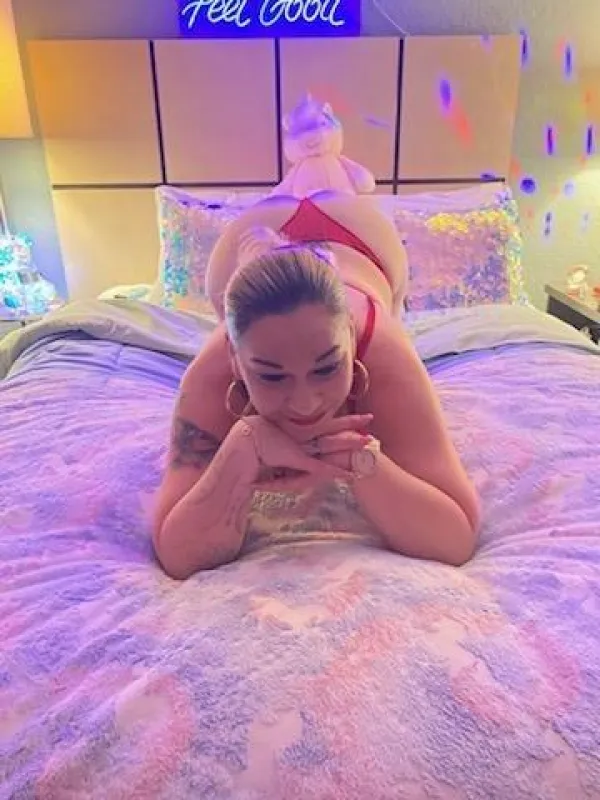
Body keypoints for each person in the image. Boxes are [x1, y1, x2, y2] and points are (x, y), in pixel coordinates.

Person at [153, 192, 480, 580]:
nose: (305, 404)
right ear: (236, 359)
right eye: (272, 376)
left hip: (364, 238)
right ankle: (258, 251)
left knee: (330, 177)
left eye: (326, 368)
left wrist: (362, 461)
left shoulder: (383, 353)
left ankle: (311, 196)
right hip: (241, 243)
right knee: (254, 303)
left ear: (351, 340)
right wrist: (243, 444)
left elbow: (456, 538)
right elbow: (176, 553)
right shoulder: (212, 372)